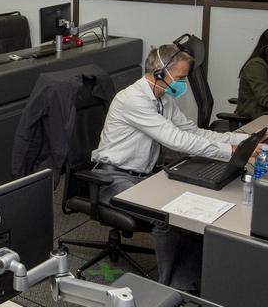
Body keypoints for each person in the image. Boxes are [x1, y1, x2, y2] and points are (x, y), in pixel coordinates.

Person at [92, 44, 254, 293]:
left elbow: (191, 131)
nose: (183, 84)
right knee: (166, 217)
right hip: (112, 177)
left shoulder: (163, 98)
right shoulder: (133, 100)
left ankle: (190, 278)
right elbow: (176, 140)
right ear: (159, 73)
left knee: (191, 210)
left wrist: (241, 141)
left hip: (143, 177)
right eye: (179, 78)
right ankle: (167, 288)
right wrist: (228, 152)